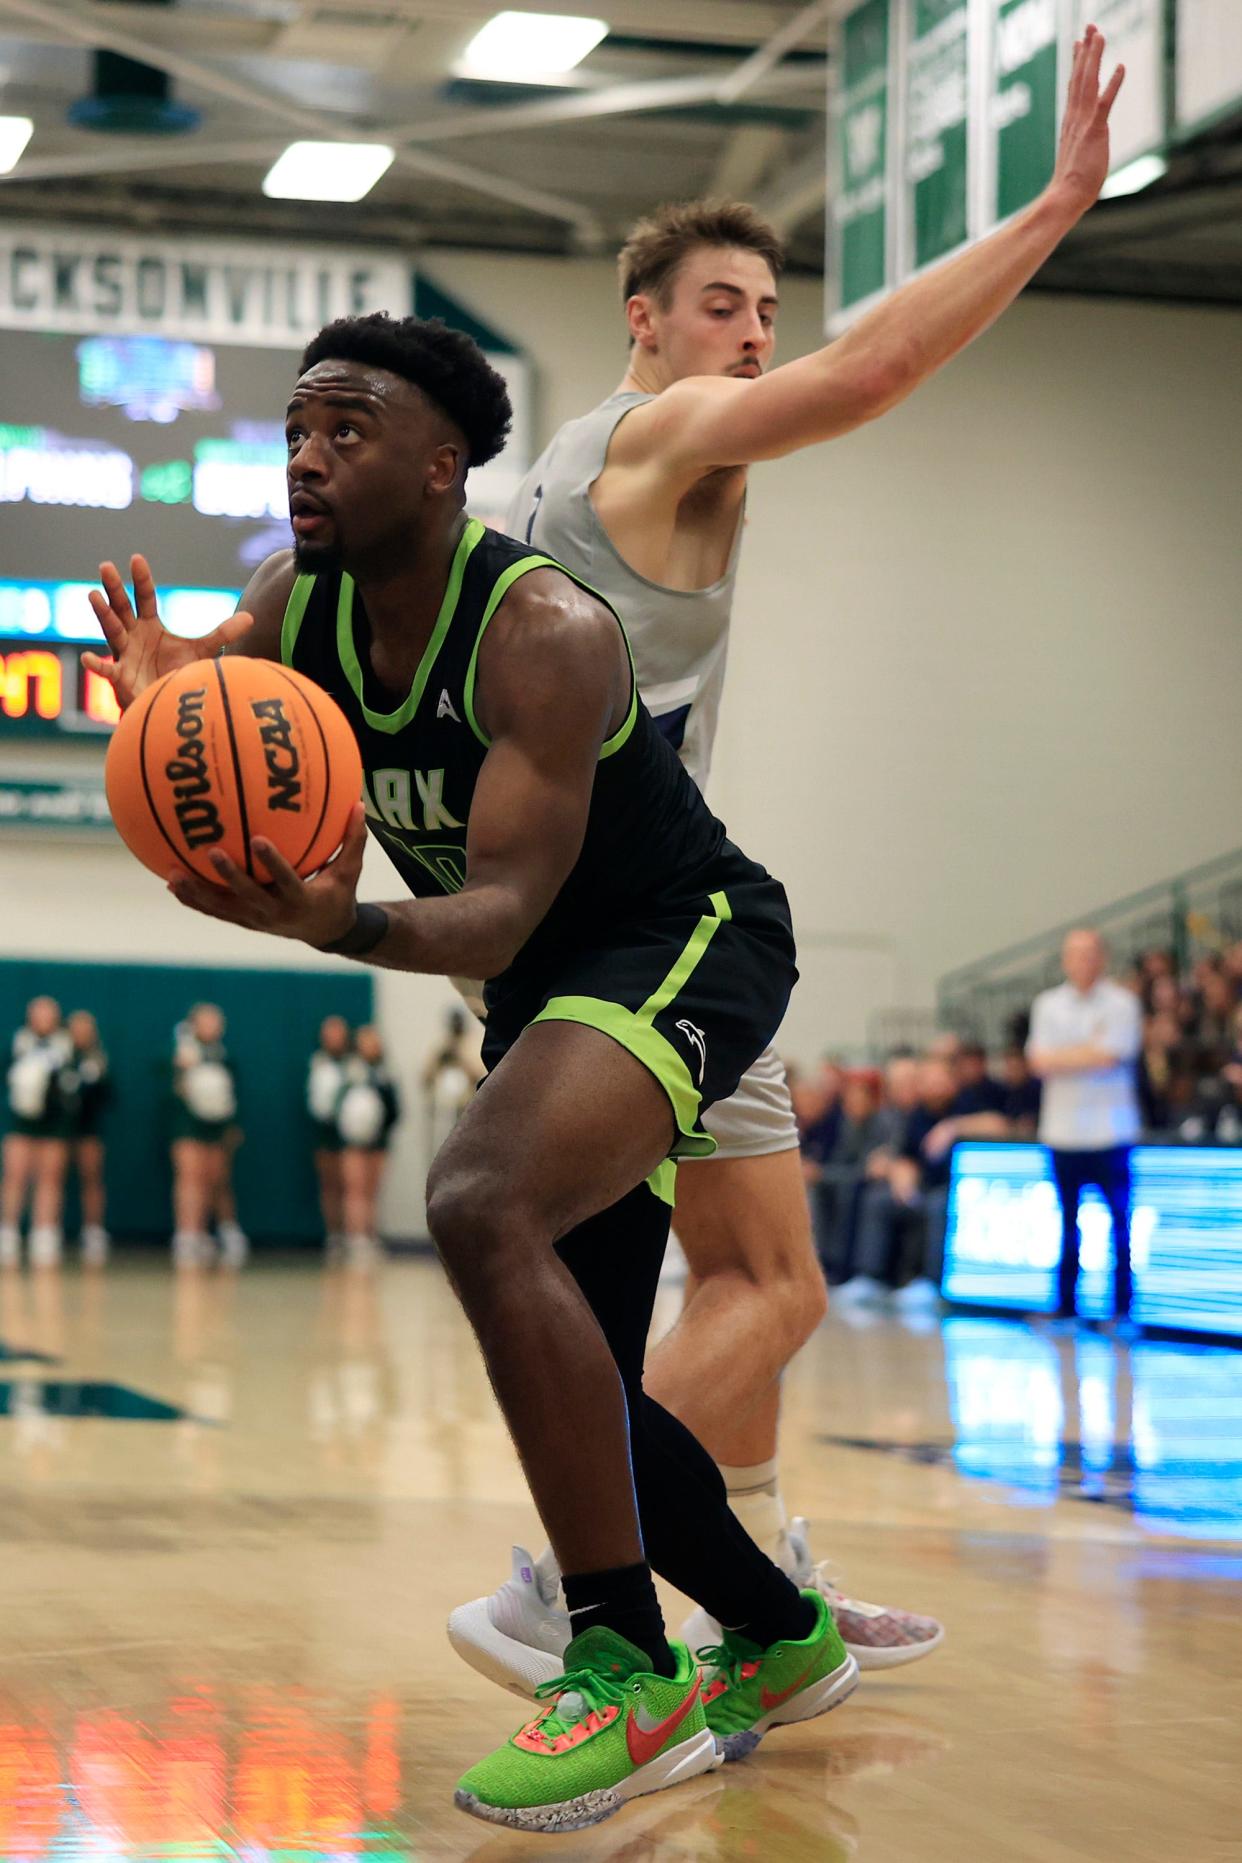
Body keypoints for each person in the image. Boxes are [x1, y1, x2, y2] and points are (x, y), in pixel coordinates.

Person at [86, 316, 859, 1831]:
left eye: (348, 427)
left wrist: (338, 918)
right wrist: (178, 686)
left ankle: (627, 1666)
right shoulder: (286, 606)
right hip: (542, 985)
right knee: (570, 1352)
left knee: (475, 1199)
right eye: (296, 426)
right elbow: (219, 717)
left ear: (445, 465)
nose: (307, 453)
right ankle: (778, 1628)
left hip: (676, 935)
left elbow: (500, 905)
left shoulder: (542, 632)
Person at [442, 21, 1124, 1692]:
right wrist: (1049, 211)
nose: (753, 337)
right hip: (632, 931)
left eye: (766, 311)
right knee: (768, 1277)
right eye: (721, 311)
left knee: (751, 1268)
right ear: (645, 329)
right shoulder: (653, 438)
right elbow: (876, 372)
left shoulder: (570, 478)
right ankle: (582, 1556)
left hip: (564, 917)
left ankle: (740, 1527)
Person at [1027, 928, 1142, 1326]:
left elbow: (1112, 1054)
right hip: (1062, 1132)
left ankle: (1122, 1308)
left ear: (1103, 958)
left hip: (1111, 1132)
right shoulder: (1048, 1004)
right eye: (1075, 954)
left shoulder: (1123, 1003)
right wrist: (1087, 1052)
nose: (1082, 961)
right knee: (1066, 1220)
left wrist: (1067, 1057)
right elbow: (1040, 1061)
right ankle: (1065, 1304)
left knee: (1119, 1222)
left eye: (1090, 953)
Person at [1, 996, 76, 1267]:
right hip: (22, 1120)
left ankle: (43, 1231)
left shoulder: (66, 1045)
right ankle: (8, 1230)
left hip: (54, 1122)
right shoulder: (17, 1042)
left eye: (48, 1013)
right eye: (38, 1013)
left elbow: (74, 1083)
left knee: (50, 1177)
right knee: (15, 1174)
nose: (43, 1019)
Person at [169, 1005, 243, 1269]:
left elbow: (232, 1094)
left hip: (217, 1125)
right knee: (190, 1177)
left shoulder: (224, 1056)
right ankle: (188, 1234)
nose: (212, 1026)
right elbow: (172, 1087)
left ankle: (222, 1230)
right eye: (206, 1021)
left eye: (216, 1021)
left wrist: (231, 1124)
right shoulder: (182, 1052)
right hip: (189, 1125)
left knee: (217, 1178)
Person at [337, 1024, 402, 1263]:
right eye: (365, 1041)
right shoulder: (351, 1071)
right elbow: (339, 1105)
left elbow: (394, 1107)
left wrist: (381, 1128)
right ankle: (354, 1237)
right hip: (353, 1141)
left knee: (372, 1190)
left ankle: (370, 1235)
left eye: (373, 1041)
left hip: (378, 1140)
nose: (369, 1046)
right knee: (355, 1188)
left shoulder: (385, 1073)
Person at [67, 1009, 111, 1266]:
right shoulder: (58, 1053)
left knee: (91, 1176)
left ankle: (93, 1230)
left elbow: (109, 1097)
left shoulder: (98, 1058)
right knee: (48, 1174)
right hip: (56, 1127)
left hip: (88, 1127)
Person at [307, 1014, 352, 1254]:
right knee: (330, 1183)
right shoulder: (317, 1063)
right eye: (329, 1033)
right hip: (325, 1131)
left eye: (338, 1032)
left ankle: (353, 1233)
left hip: (351, 1133)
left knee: (351, 1183)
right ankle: (334, 1234)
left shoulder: (354, 1064)